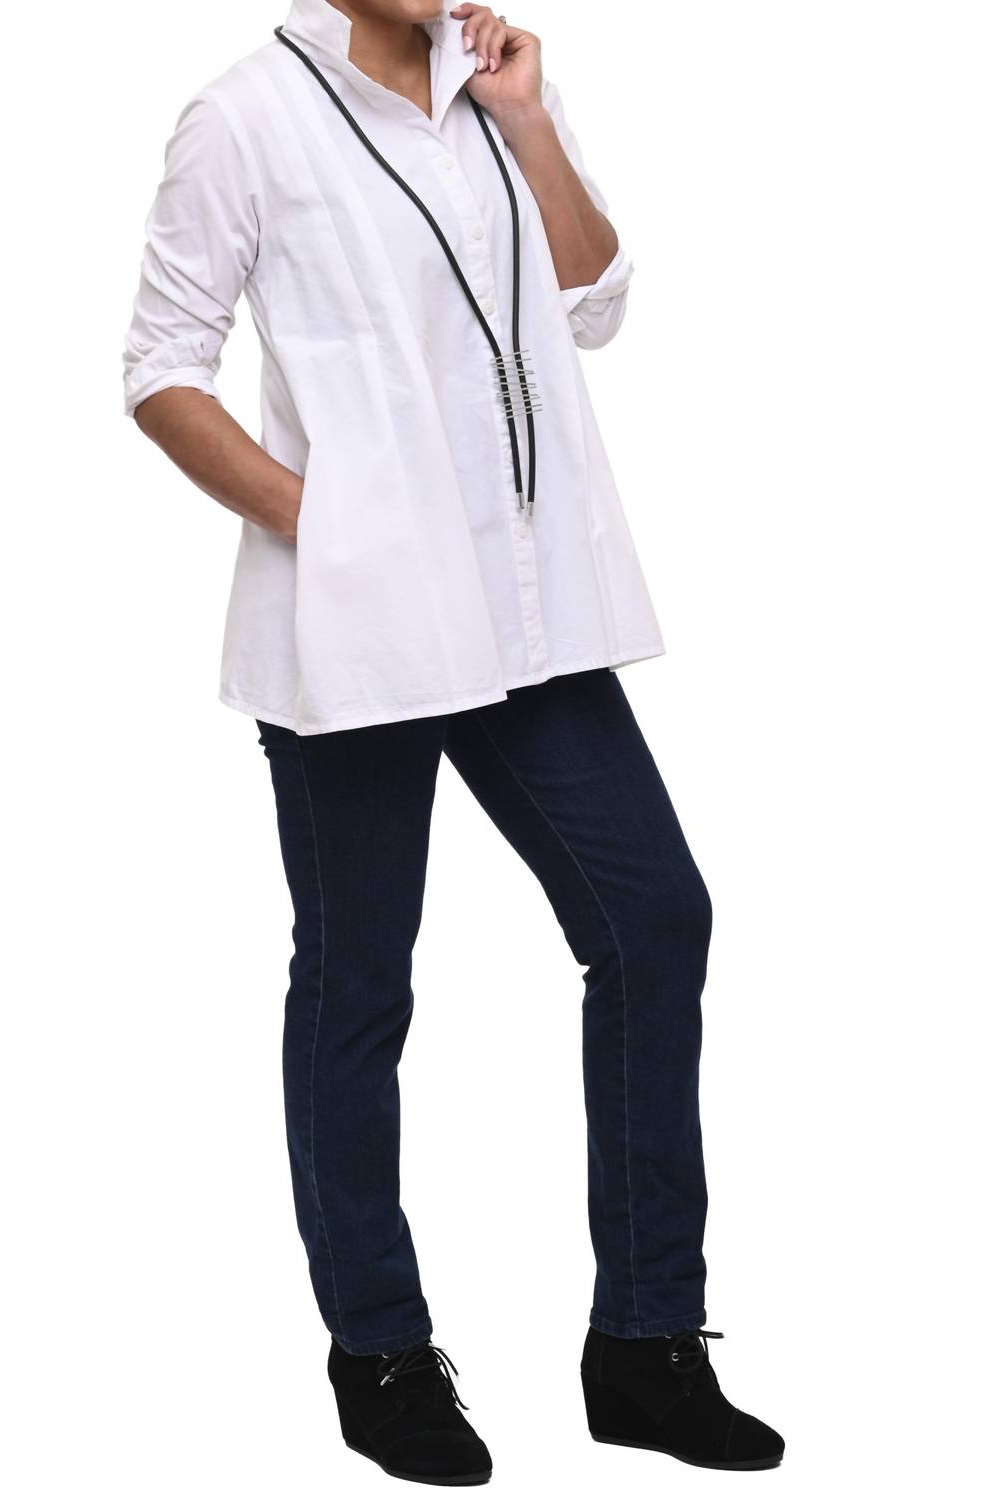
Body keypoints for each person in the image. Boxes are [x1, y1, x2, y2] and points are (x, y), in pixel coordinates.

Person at [122, 0, 784, 1482]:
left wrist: (529, 119)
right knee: (360, 981)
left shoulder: (493, 85)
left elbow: (595, 300)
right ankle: (379, 1352)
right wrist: (332, 529)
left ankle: (645, 1347)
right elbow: (160, 368)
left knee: (654, 920)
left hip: (525, 610)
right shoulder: (244, 116)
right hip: (356, 631)